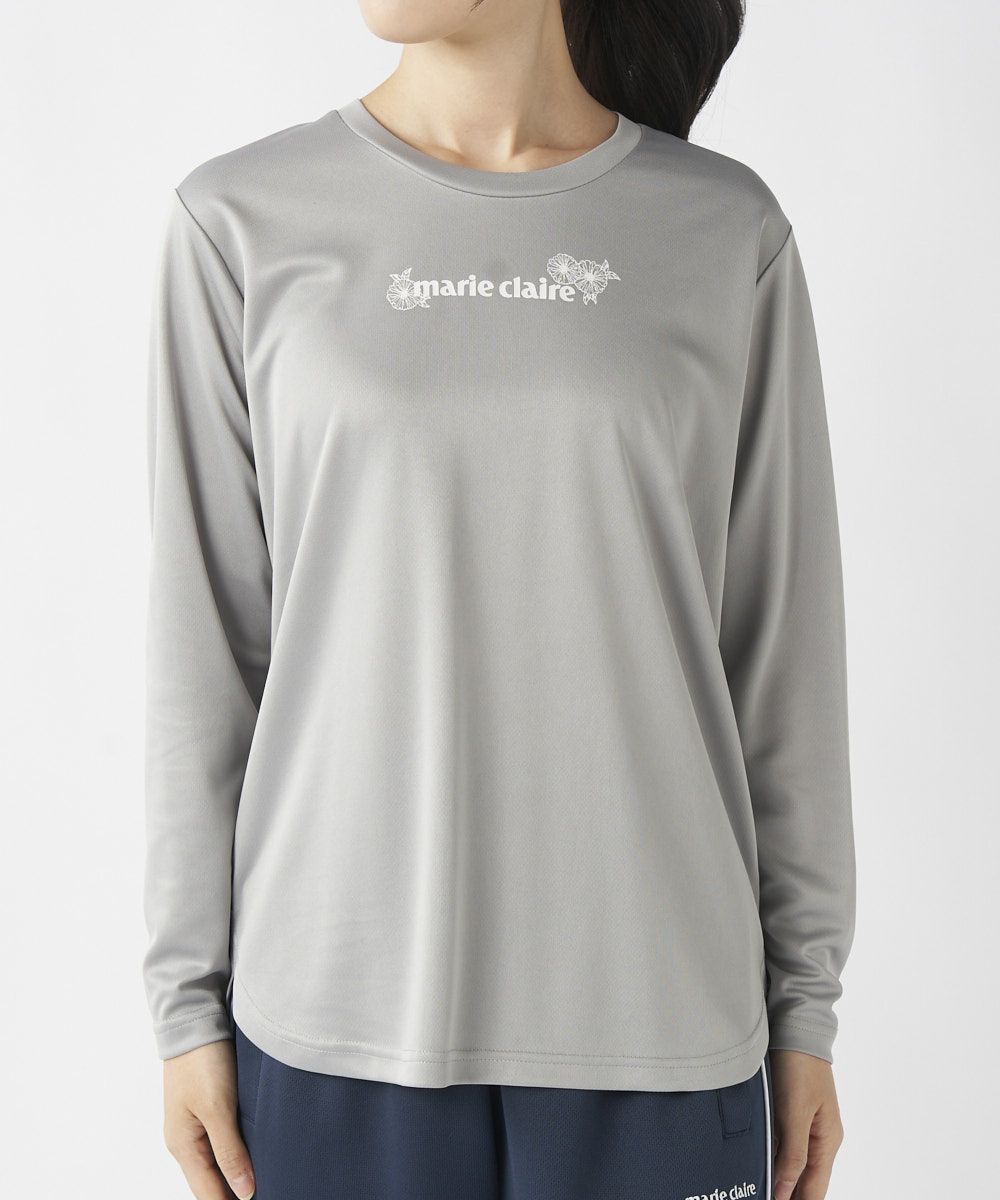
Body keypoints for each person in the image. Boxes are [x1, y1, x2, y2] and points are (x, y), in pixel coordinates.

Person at [142, 1, 857, 1197]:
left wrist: (804, 1007)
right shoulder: (238, 224)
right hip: (334, 1031)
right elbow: (202, 650)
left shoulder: (724, 232)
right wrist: (185, 1010)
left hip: (664, 1022)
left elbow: (782, 654)